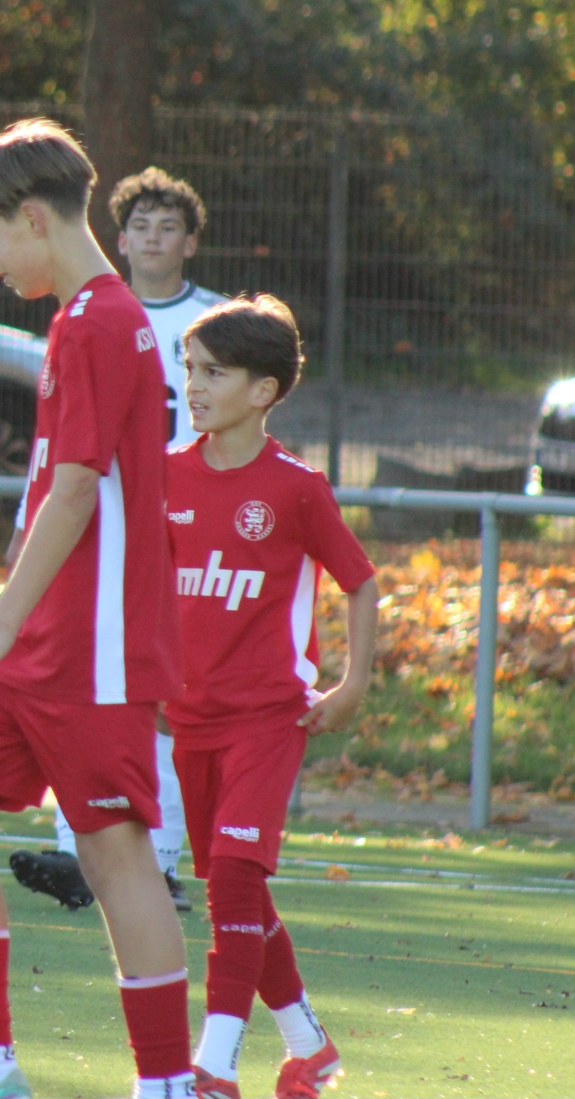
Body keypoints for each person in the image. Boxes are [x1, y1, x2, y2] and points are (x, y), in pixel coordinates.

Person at [0, 121, 192, 1099]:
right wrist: (9, 616)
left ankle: (167, 1083)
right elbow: (63, 487)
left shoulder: (102, 321)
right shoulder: (81, 319)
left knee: (114, 855)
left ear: (33, 218)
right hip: (38, 642)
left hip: (89, 647)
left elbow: (76, 491)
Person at [164, 296, 376, 1099]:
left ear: (263, 391)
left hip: (268, 718)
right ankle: (309, 1046)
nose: (195, 385)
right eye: (190, 369)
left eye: (213, 372)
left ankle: (214, 1067)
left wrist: (351, 682)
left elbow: (360, 581)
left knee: (232, 882)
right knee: (239, 888)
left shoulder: (295, 488)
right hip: (189, 719)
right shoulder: (167, 475)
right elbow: (147, 591)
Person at [12, 166, 220, 915]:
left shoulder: (211, 320)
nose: (153, 239)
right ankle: (80, 851)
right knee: (81, 683)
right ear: (120, 238)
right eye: (140, 226)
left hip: (181, 524)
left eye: (169, 228)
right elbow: (56, 446)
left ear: (190, 242)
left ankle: (156, 858)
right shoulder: (90, 312)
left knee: (159, 693)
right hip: (98, 527)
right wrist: (23, 525)